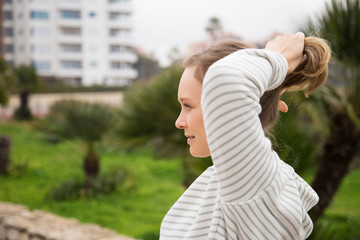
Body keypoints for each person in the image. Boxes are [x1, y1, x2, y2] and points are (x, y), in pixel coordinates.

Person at [160, 32, 331, 239]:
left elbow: (225, 80)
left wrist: (280, 58)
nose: (179, 122)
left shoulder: (255, 183)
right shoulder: (231, 179)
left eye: (188, 105)